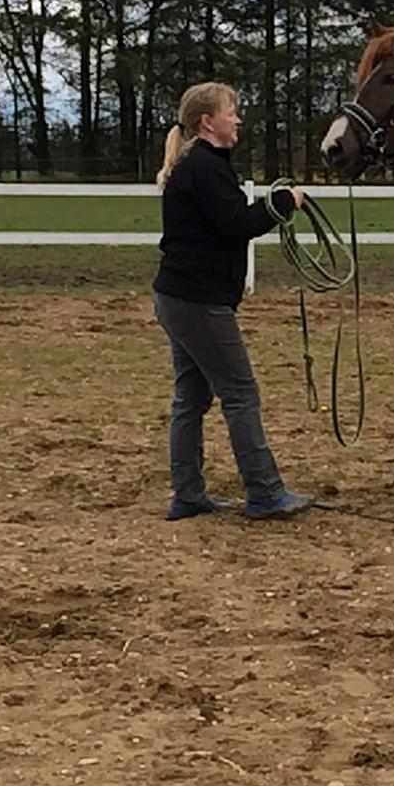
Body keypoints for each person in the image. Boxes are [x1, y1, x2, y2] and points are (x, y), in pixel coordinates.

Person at [152, 81, 313, 521]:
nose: (238, 118)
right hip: (199, 301)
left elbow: (227, 218)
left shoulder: (199, 166)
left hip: (178, 297)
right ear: (208, 122)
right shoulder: (205, 167)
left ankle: (188, 494)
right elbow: (235, 223)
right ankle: (264, 491)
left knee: (191, 396)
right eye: (232, 110)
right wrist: (284, 202)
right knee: (240, 392)